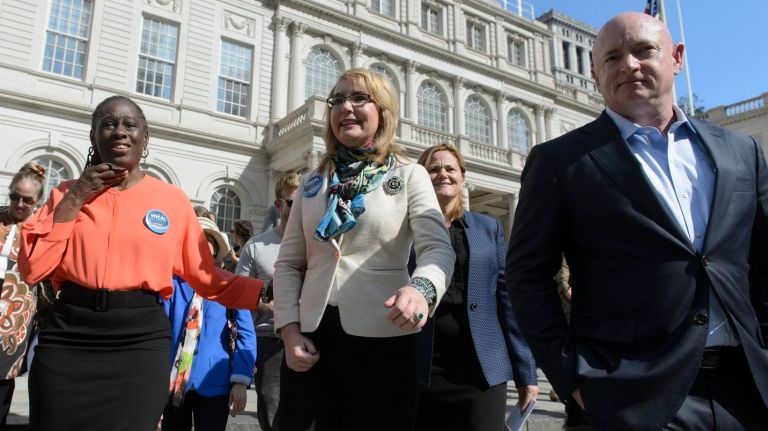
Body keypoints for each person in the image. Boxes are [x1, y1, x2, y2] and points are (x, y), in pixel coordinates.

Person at [506, 12, 768, 430]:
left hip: (748, 392)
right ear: (595, 74)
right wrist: (574, 379)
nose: (628, 65)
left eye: (644, 50)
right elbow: (526, 275)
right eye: (612, 58)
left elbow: (761, 261)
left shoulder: (741, 152)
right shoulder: (560, 161)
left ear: (677, 57)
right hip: (630, 399)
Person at [18, 95, 266, 430]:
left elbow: (206, 276)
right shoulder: (65, 194)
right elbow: (35, 268)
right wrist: (78, 195)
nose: (119, 131)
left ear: (144, 138)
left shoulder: (172, 201)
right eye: (108, 123)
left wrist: (262, 292)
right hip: (69, 337)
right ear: (95, 137)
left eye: (129, 124)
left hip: (139, 342)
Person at [272, 68, 454, 431]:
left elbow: (437, 250)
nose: (345, 108)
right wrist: (289, 331)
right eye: (337, 100)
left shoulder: (410, 174)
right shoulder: (312, 181)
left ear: (383, 111)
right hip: (311, 343)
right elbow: (289, 264)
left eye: (359, 98)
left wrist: (422, 290)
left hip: (384, 341)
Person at [413, 143, 538, 431]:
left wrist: (526, 373)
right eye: (433, 169)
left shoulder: (487, 227)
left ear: (462, 177)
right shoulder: (404, 228)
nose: (442, 174)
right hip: (421, 363)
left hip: (482, 366)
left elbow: (507, 300)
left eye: (450, 169)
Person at [163, 216, 257, 431]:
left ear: (215, 248)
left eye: (207, 240)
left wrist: (241, 381)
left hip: (215, 381)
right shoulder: (172, 284)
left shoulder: (230, 285)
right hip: (172, 381)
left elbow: (246, 335)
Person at [236, 172, 300, 431]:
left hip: (312, 337)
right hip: (269, 340)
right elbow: (238, 294)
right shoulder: (256, 246)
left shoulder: (317, 243)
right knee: (271, 411)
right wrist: (265, 305)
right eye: (291, 203)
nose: (297, 210)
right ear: (278, 205)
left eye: (303, 203)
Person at [0, 162, 46, 426]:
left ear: (37, 201)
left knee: (2, 382)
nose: (19, 204)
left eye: (26, 200)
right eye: (15, 197)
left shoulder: (39, 234)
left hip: (14, 321)